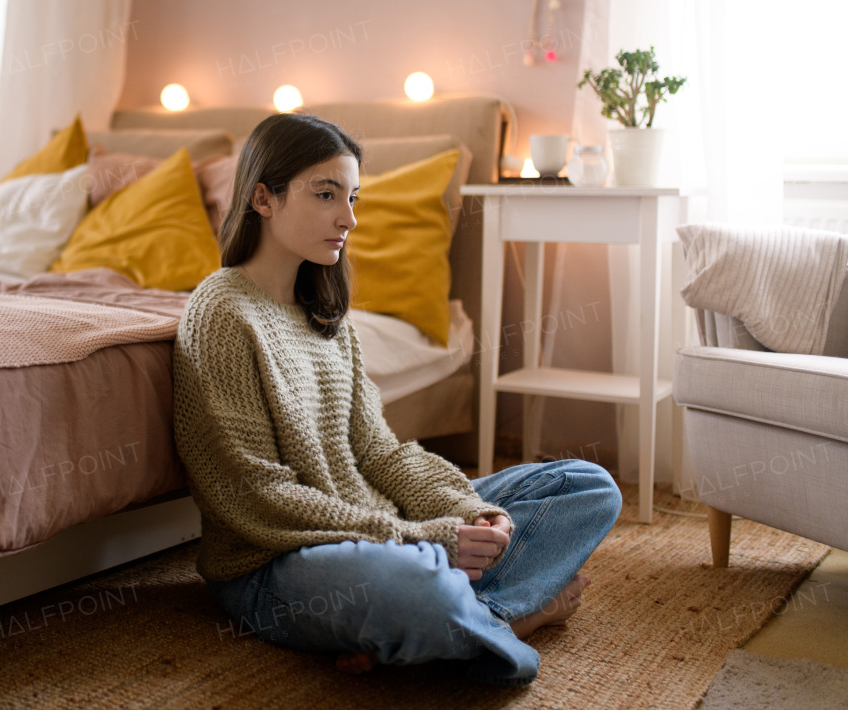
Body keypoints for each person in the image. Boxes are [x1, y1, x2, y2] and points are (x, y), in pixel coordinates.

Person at [172, 112, 622, 685]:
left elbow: (382, 455)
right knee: (409, 585)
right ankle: (517, 616)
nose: (349, 218)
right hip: (276, 562)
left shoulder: (332, 321)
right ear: (264, 198)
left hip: (378, 525)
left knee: (586, 487)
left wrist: (464, 510)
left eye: (353, 197)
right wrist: (421, 537)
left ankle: (451, 622)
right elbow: (253, 495)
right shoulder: (222, 312)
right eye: (327, 194)